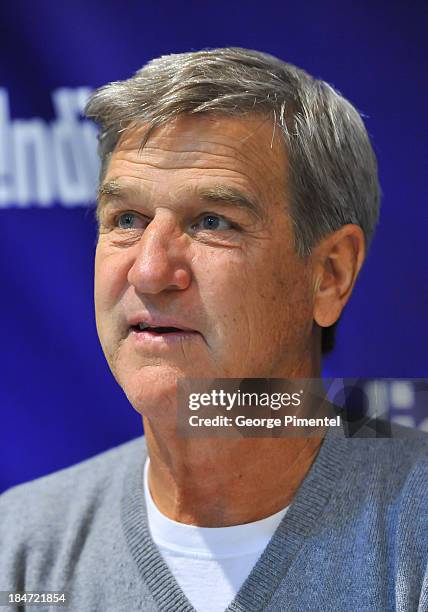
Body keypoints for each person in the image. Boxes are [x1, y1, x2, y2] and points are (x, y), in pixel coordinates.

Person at [0, 48, 426, 612]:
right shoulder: (20, 550)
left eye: (212, 222)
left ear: (330, 274)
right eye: (126, 219)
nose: (150, 271)